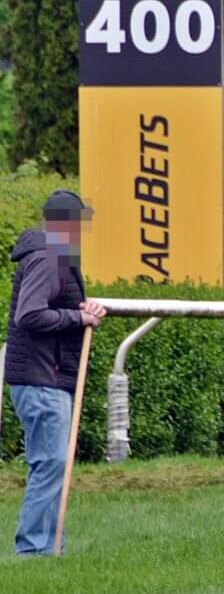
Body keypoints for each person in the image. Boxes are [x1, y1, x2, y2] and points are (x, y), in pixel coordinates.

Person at [4, 190, 106, 555]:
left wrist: (84, 308)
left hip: (43, 379)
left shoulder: (55, 255)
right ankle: (33, 551)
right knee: (51, 465)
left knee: (51, 466)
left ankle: (48, 548)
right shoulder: (49, 256)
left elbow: (56, 305)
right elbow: (30, 314)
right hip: (42, 380)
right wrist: (78, 317)